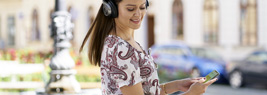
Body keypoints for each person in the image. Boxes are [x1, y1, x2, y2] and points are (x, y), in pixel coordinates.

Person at [80, 0, 217, 94]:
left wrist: (177, 85)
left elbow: (147, 91)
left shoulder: (128, 43)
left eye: (142, 7)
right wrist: (192, 94)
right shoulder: (120, 49)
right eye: (130, 8)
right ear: (111, 10)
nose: (138, 14)